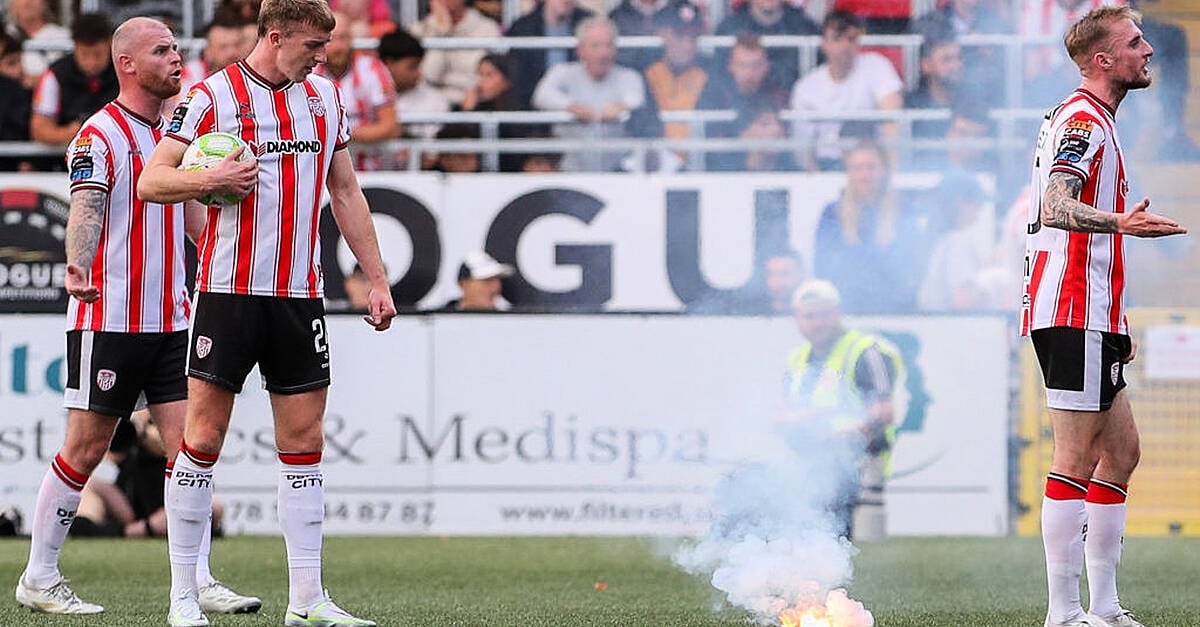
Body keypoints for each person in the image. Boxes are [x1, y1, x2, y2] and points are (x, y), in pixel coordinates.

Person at [137, 0, 397, 624]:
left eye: (325, 48)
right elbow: (152, 181)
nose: (321, 57)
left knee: (304, 440)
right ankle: (182, 597)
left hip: (299, 293)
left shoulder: (326, 99)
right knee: (202, 438)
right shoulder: (210, 98)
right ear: (275, 37)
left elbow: (344, 190)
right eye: (312, 46)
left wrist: (378, 277)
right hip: (227, 294)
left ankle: (307, 600)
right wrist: (208, 179)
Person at [13, 17, 260, 618]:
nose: (177, 58)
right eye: (162, 50)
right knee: (86, 446)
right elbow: (86, 204)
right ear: (127, 64)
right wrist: (77, 265)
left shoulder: (184, 129)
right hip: (111, 317)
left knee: (191, 449)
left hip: (174, 319)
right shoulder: (100, 133)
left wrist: (212, 257)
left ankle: (198, 578)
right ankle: (38, 576)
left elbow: (193, 214)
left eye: (177, 48)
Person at [1024, 7, 1187, 627]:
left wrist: (1116, 321)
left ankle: (1106, 607)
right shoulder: (1083, 122)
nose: (1148, 50)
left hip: (1092, 314)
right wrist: (1121, 221)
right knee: (1074, 457)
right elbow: (1056, 204)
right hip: (1070, 312)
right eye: (1135, 42)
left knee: (1120, 453)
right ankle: (1063, 613)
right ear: (1103, 60)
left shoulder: (1094, 121)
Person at [781, 279, 903, 542]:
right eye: (809, 316)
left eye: (824, 315)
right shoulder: (796, 360)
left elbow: (883, 411)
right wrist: (798, 423)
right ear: (797, 319)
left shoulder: (864, 351)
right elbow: (781, 412)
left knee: (855, 542)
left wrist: (844, 433)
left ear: (837, 314)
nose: (817, 323)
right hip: (812, 462)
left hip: (859, 459)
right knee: (809, 534)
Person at [813, 140, 927, 313]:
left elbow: (914, 262)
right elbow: (823, 264)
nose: (865, 174)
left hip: (896, 308)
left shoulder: (903, 210)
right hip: (846, 307)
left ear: (884, 170)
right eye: (857, 168)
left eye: (871, 167)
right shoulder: (833, 213)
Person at [790, 9, 903, 171]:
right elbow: (803, 149)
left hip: (872, 163)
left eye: (851, 39)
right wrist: (817, 181)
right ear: (824, 43)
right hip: (827, 165)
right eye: (837, 39)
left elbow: (892, 120)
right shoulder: (806, 88)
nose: (845, 46)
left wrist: (890, 173)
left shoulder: (877, 67)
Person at [532, 16, 646, 172]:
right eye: (596, 46)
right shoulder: (563, 72)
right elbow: (541, 95)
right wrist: (572, 106)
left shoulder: (628, 76)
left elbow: (636, 98)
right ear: (580, 50)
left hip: (617, 172)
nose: (603, 52)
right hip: (568, 170)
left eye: (608, 45)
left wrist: (621, 106)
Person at [316, 10, 398, 171]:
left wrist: (338, 133)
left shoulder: (373, 69)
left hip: (370, 169)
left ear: (352, 39)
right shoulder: (309, 72)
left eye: (344, 38)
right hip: (321, 171)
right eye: (331, 39)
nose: (338, 47)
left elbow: (390, 127)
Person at [30, 13, 118, 150]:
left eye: (98, 54)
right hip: (66, 159)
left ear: (110, 43)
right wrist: (71, 133)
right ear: (75, 46)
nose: (92, 62)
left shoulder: (126, 71)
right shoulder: (55, 75)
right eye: (85, 54)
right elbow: (39, 129)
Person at [408, 0, 501, 107]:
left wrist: (476, 94)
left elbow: (495, 77)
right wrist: (442, 34)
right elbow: (429, 76)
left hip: (477, 102)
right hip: (431, 104)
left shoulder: (488, 28)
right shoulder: (419, 30)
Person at [506, 0, 594, 108]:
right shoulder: (522, 28)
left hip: (582, 112)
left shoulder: (592, 25)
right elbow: (518, 81)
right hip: (534, 111)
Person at [714, 0, 818, 91]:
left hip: (793, 104)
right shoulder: (728, 28)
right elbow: (719, 76)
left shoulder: (805, 27)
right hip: (736, 103)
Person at [435, 251, 513, 311]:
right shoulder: (438, 322)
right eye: (487, 280)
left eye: (497, 279)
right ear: (464, 284)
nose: (495, 287)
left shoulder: (510, 323)